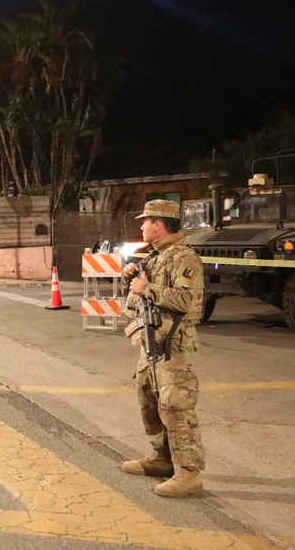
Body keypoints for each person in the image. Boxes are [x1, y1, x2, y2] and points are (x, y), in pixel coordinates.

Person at [119, 199, 205, 498]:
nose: (141, 226)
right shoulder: (156, 256)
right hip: (152, 342)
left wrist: (148, 288)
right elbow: (140, 299)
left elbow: (185, 301)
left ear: (158, 224)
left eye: (144, 221)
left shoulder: (183, 257)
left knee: (176, 407)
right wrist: (131, 279)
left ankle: (189, 474)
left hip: (174, 345)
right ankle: (162, 458)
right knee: (148, 399)